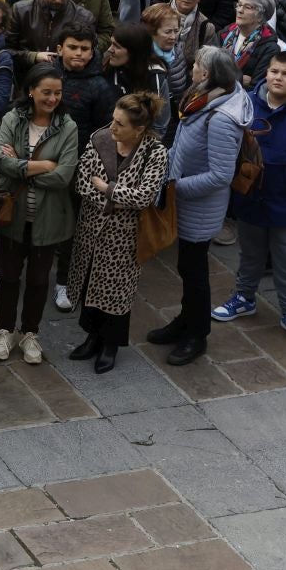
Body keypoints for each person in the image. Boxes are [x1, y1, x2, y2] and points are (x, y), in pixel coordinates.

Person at [213, 50, 286, 347]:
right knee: (250, 253)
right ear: (266, 74)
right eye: (274, 72)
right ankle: (244, 297)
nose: (278, 78)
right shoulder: (245, 105)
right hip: (250, 198)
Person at [66, 92, 169, 372]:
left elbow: (143, 197)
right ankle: (92, 337)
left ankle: (109, 344)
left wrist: (107, 189)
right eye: (113, 120)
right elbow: (82, 182)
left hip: (125, 237)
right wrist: (115, 199)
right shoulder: (99, 139)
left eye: (120, 124)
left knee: (117, 292)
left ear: (139, 129)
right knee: (90, 284)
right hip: (91, 231)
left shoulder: (154, 152)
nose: (112, 128)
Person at [0, 64, 78, 366]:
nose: (52, 98)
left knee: (40, 280)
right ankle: (5, 330)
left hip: (49, 218)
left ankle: (30, 333)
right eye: (46, 92)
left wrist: (22, 167)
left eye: (57, 93)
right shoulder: (12, 119)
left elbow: (64, 175)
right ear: (31, 91)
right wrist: (42, 165)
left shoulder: (68, 127)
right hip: (13, 217)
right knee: (9, 276)